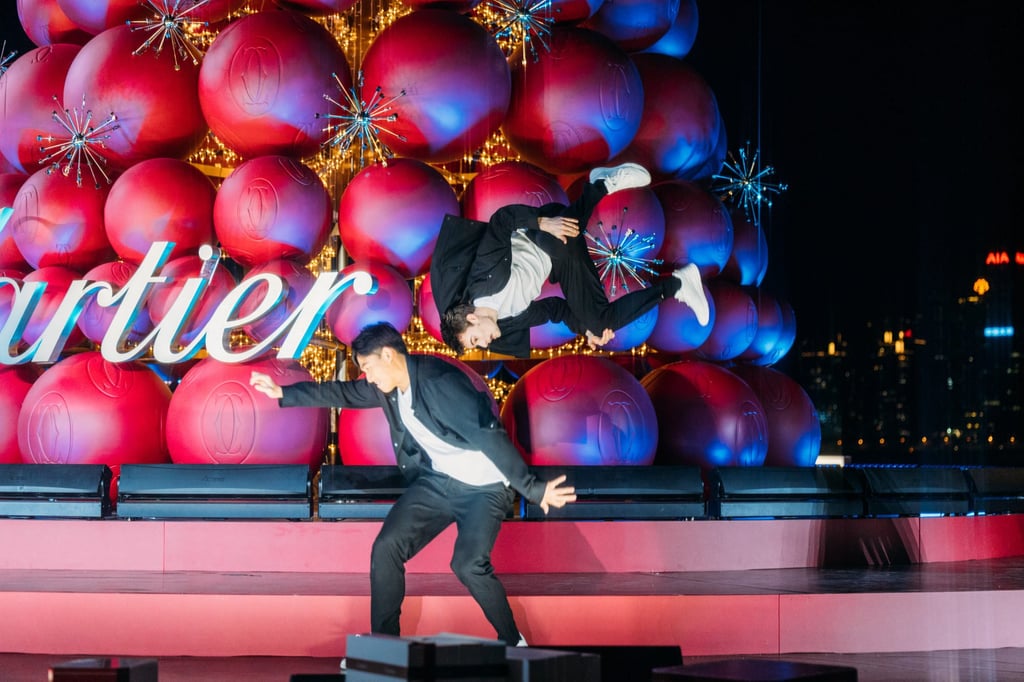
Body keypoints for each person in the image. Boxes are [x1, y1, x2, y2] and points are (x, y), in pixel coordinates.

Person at [249, 322, 576, 654]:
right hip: (440, 482)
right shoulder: (389, 387)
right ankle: (387, 646)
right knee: (386, 549)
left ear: (388, 355)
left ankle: (512, 639)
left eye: (368, 368)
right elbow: (344, 393)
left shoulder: (440, 383)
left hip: (485, 488)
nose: (368, 377)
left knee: (468, 564)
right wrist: (284, 394)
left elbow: (488, 434)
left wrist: (533, 488)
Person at [433, 162, 710, 358]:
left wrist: (543, 223)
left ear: (472, 317)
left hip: (545, 232)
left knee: (563, 244)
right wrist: (586, 330)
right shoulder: (506, 323)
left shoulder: (483, 279)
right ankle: (676, 284)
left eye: (474, 339)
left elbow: (502, 221)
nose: (483, 344)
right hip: (558, 261)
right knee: (600, 324)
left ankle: (601, 186)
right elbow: (556, 309)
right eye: (477, 345)